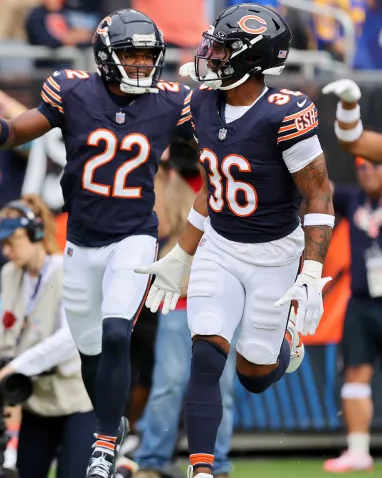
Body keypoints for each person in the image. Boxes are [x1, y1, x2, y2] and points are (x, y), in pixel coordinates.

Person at [0, 9, 195, 477]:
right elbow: (15, 133)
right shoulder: (74, 92)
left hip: (134, 236)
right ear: (106, 57)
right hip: (80, 242)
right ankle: (109, 419)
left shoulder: (170, 101)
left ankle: (103, 444)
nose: (141, 65)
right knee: (91, 352)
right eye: (131, 54)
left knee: (118, 332)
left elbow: (221, 138)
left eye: (148, 55)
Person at [138, 5, 334, 478]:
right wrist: (183, 251)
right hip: (220, 249)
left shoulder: (285, 113)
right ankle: (203, 469)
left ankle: (282, 344)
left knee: (254, 378)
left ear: (253, 60)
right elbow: (213, 185)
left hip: (275, 255)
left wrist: (310, 270)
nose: (211, 55)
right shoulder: (203, 103)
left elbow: (318, 192)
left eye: (223, 49)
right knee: (205, 354)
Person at [0, 195, 95, 478]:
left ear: (36, 234)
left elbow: (70, 337)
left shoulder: (67, 272)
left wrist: (16, 366)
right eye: (2, 244)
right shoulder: (10, 273)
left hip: (77, 401)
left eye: (12, 241)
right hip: (37, 401)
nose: (6, 250)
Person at [133, 157, 235, 478]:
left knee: (222, 386)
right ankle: (152, 461)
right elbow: (160, 224)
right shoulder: (168, 177)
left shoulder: (230, 175)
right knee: (169, 384)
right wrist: (164, 170)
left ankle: (216, 465)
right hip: (180, 297)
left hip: (222, 297)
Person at [315, 158, 382, 473]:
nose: (369, 172)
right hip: (361, 303)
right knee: (355, 375)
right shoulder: (353, 199)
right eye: (362, 166)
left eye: (376, 165)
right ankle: (358, 451)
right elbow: (319, 188)